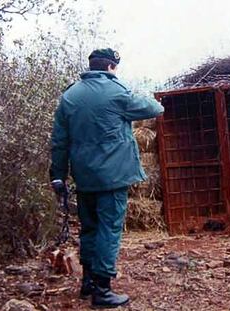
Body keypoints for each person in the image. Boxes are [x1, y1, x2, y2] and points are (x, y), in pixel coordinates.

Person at [50, 48, 164, 308]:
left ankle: (87, 282)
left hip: (84, 177)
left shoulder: (69, 96)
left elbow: (59, 141)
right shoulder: (117, 92)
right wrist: (126, 89)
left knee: (89, 228)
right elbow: (155, 108)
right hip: (112, 178)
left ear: (91, 67)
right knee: (109, 230)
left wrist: (57, 176)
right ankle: (102, 290)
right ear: (111, 67)